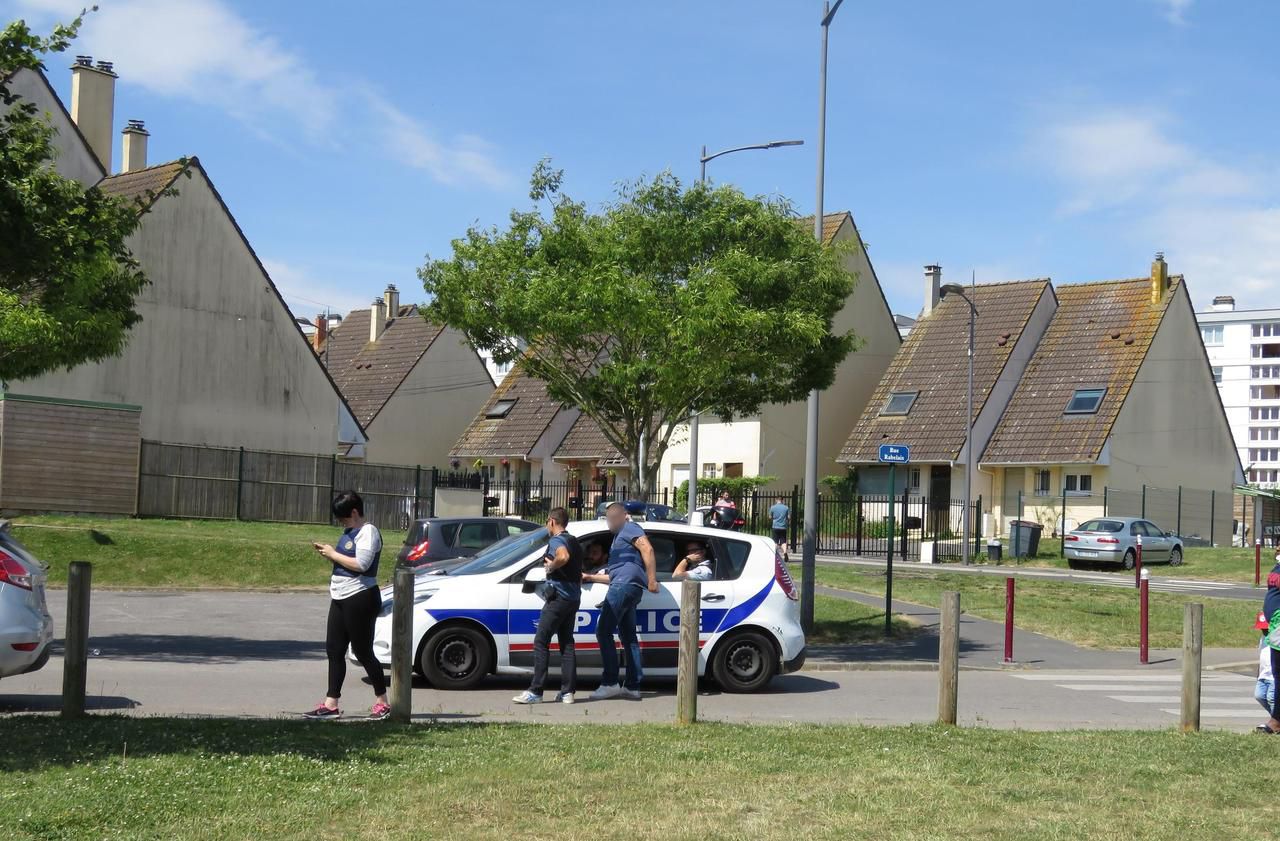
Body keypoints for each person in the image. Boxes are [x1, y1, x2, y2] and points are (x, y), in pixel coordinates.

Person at [304, 491, 389, 721]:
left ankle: (382, 702)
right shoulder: (349, 532)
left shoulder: (368, 532)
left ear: (354, 512)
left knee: (363, 652)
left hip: (360, 596)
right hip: (340, 597)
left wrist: (333, 553)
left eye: (343, 517)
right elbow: (346, 562)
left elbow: (362, 564)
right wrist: (330, 554)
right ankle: (331, 703)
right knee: (334, 649)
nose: (341, 522)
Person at [584, 501, 658, 700]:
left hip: (624, 587)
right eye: (608, 518)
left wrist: (652, 580)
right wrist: (590, 577)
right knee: (628, 636)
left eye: (613, 517)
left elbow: (648, 549)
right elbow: (617, 575)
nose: (610, 522)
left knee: (603, 631)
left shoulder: (630, 528)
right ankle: (632, 686)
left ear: (624, 515)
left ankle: (610, 682)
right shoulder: (619, 538)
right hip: (626, 586)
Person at [514, 508, 583, 705]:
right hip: (572, 599)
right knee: (567, 643)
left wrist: (550, 567)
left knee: (541, 641)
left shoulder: (557, 541)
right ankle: (567, 692)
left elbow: (562, 557)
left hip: (558, 599)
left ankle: (536, 691)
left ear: (551, 521)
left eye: (547, 523)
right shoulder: (574, 541)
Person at [1259, 549, 1280, 734]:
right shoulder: (1277, 566)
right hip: (1275, 626)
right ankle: (1277, 719)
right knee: (1278, 674)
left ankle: (1276, 721)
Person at [1254, 612, 1276, 727]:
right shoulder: (1262, 639)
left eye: (1266, 629)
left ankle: (1275, 724)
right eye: (1262, 629)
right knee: (1259, 695)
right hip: (1263, 675)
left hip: (1274, 676)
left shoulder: (1277, 638)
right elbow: (1261, 657)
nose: (1264, 631)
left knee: (1272, 698)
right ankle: (1275, 719)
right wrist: (1258, 674)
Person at [769, 495, 791, 560]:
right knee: (783, 541)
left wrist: (774, 518)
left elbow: (770, 517)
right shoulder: (786, 508)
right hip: (783, 527)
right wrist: (787, 521)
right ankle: (785, 552)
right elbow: (789, 517)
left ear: (776, 500)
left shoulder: (773, 507)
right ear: (782, 500)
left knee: (775, 541)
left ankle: (773, 554)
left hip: (775, 526)